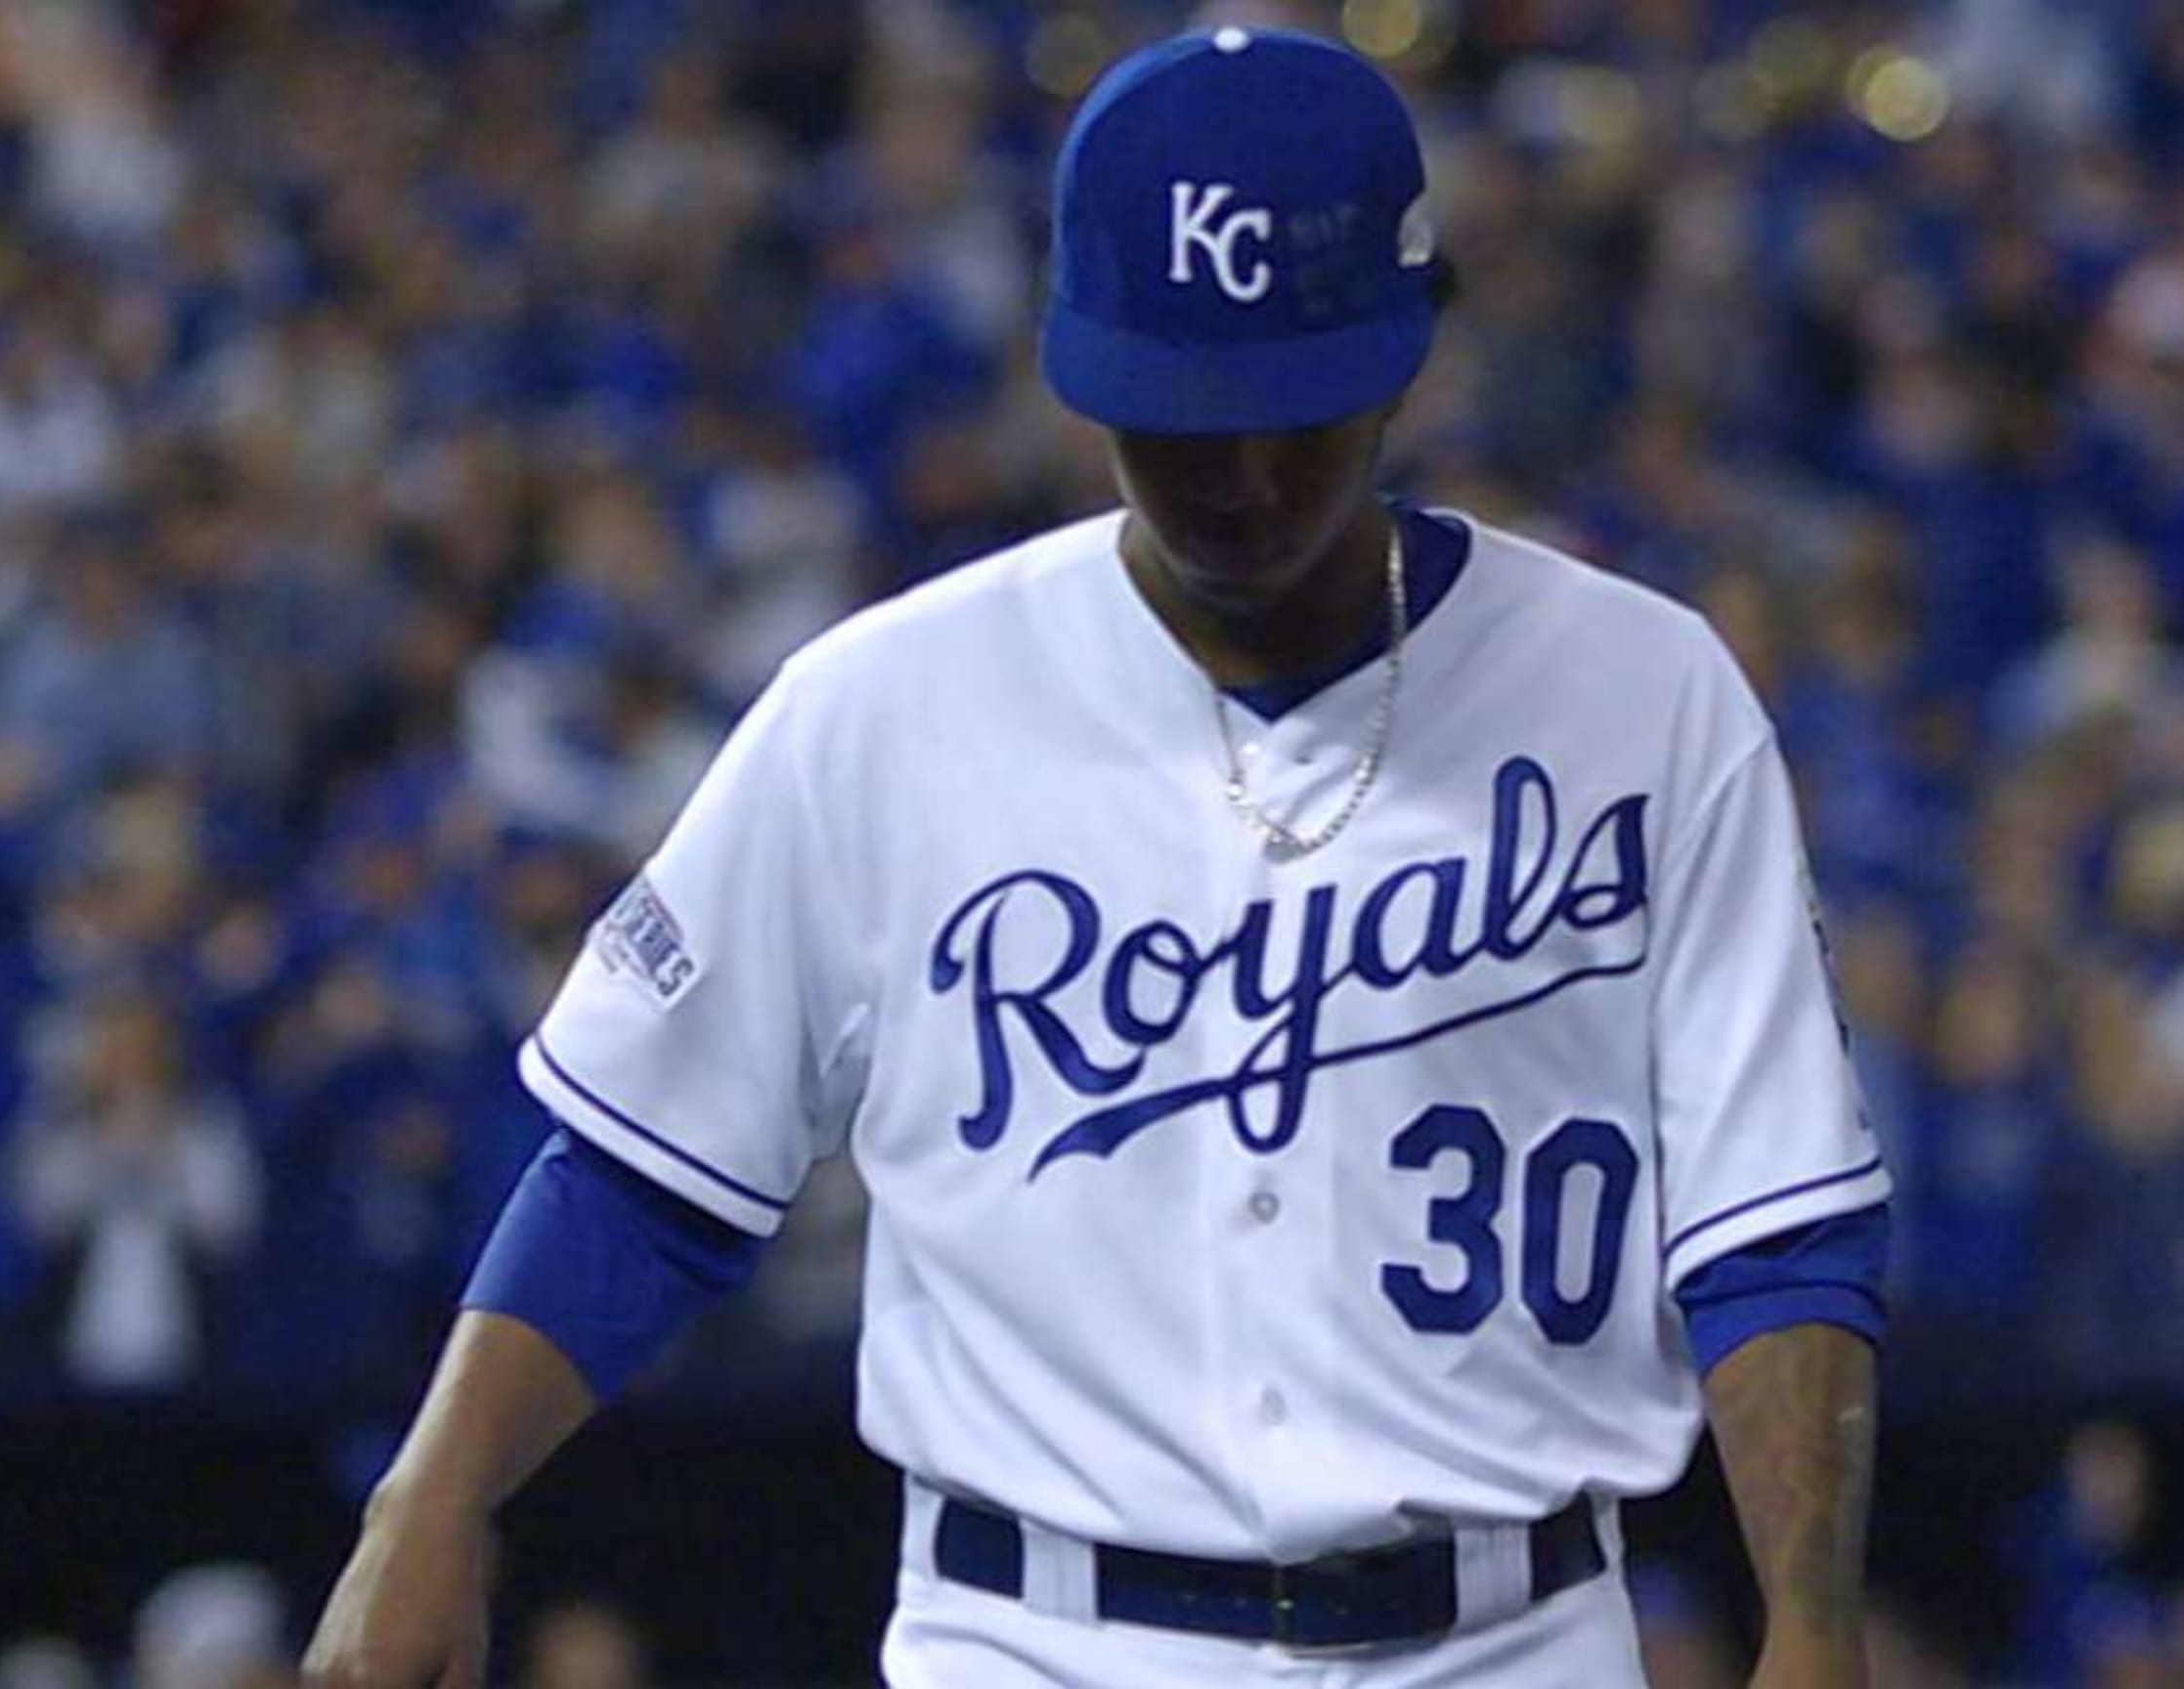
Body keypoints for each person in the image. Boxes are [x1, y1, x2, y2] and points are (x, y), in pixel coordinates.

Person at [304, 28, 1891, 1689]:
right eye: (1189, 421)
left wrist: (1816, 1624)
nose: (1251, 476)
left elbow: (1772, 1220)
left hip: (1517, 1637)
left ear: (1407, 357)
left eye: (1296, 411)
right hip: (1041, 1638)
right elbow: (639, 1175)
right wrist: (428, 1502)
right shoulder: (884, 708)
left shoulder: (1646, 694)